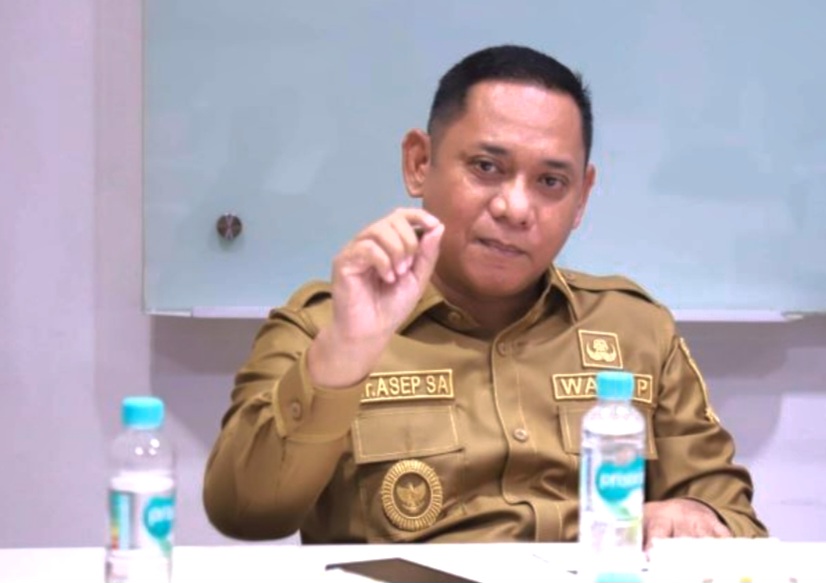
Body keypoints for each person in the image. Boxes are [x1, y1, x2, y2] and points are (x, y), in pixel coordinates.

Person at [203, 44, 767, 544]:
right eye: (486, 167)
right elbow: (243, 513)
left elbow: (733, 517)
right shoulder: (325, 327)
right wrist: (343, 355)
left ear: (582, 196)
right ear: (419, 163)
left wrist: (696, 515)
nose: (515, 208)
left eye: (551, 182)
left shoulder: (634, 329)